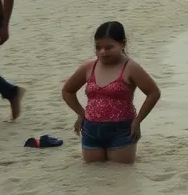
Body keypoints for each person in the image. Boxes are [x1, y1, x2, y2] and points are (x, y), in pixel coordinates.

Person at [61, 21, 161, 164]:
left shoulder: (131, 68)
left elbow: (153, 93)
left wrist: (138, 121)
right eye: (98, 47)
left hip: (122, 130)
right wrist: (81, 113)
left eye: (109, 47)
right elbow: (67, 91)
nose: (102, 52)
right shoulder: (89, 67)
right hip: (91, 129)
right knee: (94, 174)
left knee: (119, 175)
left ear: (123, 44)